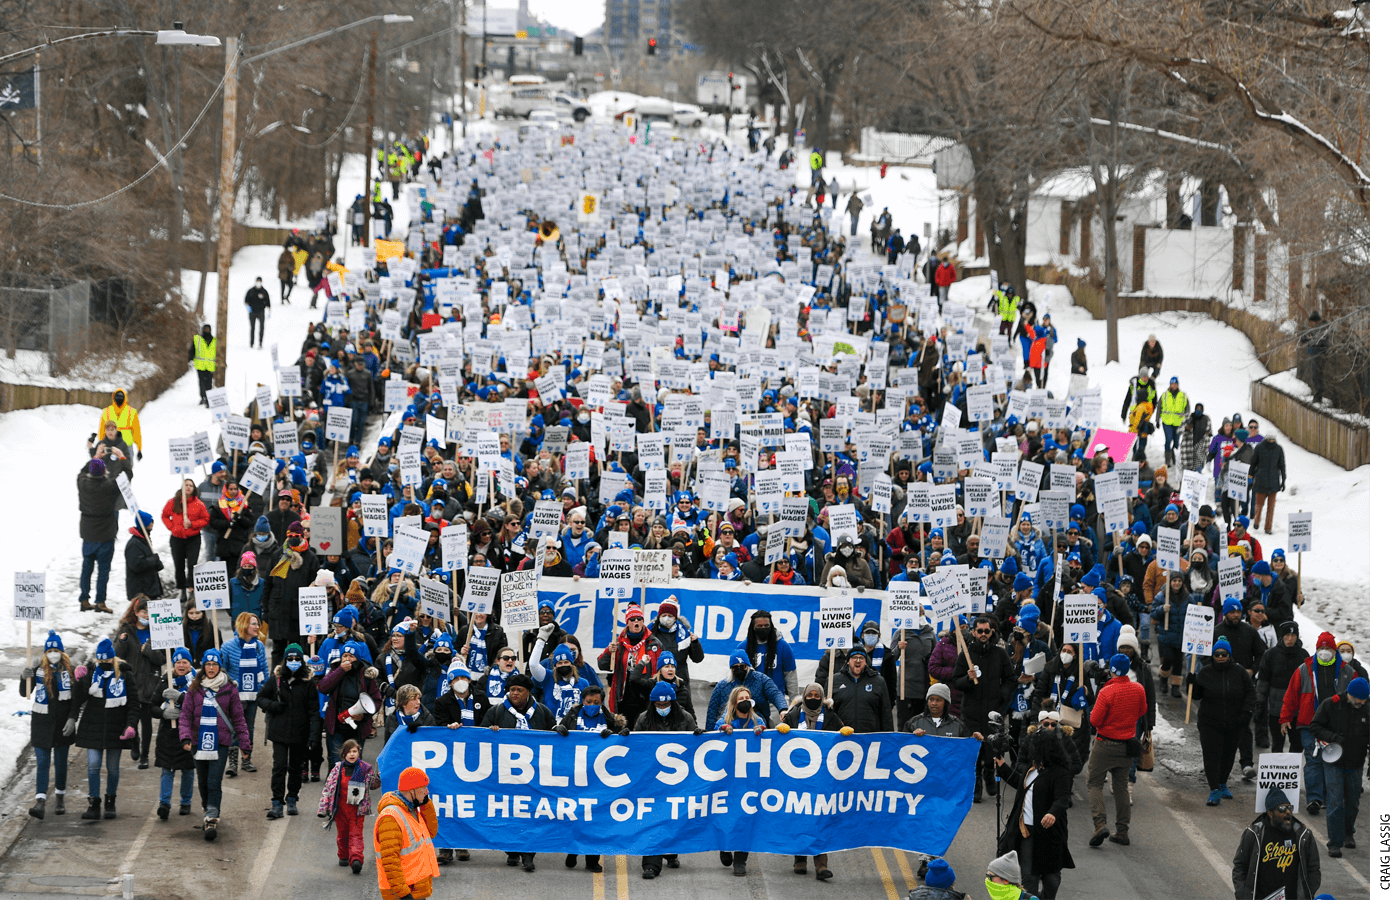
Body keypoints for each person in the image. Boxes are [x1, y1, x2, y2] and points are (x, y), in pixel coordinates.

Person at [481, 673, 556, 871]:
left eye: (519, 690)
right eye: (512, 689)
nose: (514, 693)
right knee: (506, 815)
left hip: (534, 775)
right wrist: (490, 731)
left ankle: (528, 854)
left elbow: (554, 735)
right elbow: (479, 737)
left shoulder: (542, 711)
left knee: (530, 815)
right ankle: (512, 850)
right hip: (505, 775)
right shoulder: (496, 711)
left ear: (528, 692)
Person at [1279, 632, 1354, 815]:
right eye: (1321, 648)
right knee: (1313, 760)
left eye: (1328, 648)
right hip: (1309, 723)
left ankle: (1331, 797)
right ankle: (1314, 798)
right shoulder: (1304, 669)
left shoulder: (1348, 672)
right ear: (1316, 649)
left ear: (1334, 650)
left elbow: (1356, 699)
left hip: (1336, 724)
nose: (1325, 652)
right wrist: (1285, 718)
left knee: (1333, 759)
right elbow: (1291, 695)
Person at [179, 648, 250, 839]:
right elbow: (185, 715)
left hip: (221, 742)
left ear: (220, 666)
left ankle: (211, 816)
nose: (211, 668)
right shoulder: (194, 689)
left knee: (213, 780)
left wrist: (245, 744)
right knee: (202, 781)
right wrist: (185, 737)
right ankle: (207, 809)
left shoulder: (229, 688)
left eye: (215, 664)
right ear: (203, 666)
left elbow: (238, 718)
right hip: (197, 741)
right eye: (208, 664)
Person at [995, 728, 1074, 900]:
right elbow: (1020, 784)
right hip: (1026, 832)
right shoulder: (1031, 768)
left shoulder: (1060, 772)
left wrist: (1052, 814)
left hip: (1050, 833)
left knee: (1052, 879)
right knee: (1029, 876)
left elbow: (1062, 798)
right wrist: (1003, 768)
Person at [634, 681, 699, 880]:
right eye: (658, 706)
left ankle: (670, 853)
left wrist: (699, 736)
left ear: (673, 702)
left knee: (674, 818)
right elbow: (635, 748)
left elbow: (696, 748)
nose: (662, 708)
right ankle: (651, 865)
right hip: (652, 780)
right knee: (652, 820)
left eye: (666, 705)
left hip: (678, 780)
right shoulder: (644, 719)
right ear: (653, 704)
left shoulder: (686, 718)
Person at [72, 637, 140, 821]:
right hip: (92, 726)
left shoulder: (124, 674)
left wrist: (131, 725)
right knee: (93, 766)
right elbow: (79, 698)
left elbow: (133, 704)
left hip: (115, 727)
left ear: (113, 658)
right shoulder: (92, 672)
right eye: (100, 660)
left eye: (106, 660)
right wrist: (79, 680)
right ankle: (94, 803)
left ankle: (111, 801)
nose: (103, 663)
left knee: (113, 768)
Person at [953, 615, 1017, 803]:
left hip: (992, 710)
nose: (983, 634)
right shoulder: (965, 654)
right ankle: (976, 782)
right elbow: (956, 681)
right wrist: (967, 677)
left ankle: (990, 773)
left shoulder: (1000, 654)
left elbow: (1010, 679)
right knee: (974, 749)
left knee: (991, 747)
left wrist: (1002, 696)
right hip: (971, 711)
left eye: (986, 631)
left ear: (991, 632)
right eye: (979, 631)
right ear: (973, 632)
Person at [1186, 637, 1255, 806]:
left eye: (1224, 654)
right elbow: (1196, 696)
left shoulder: (1239, 672)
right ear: (1213, 655)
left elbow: (1250, 694)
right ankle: (1214, 789)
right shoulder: (1206, 672)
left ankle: (1223, 783)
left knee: (1228, 755)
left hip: (1234, 722)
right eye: (1217, 654)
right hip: (1210, 722)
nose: (1221, 657)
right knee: (1211, 755)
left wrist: (1246, 713)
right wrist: (1191, 683)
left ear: (1229, 655)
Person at [1086, 653, 1146, 847]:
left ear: (1111, 669)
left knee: (1094, 783)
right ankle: (1122, 831)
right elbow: (1142, 711)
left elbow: (1094, 720)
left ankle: (1100, 824)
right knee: (1121, 788)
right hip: (1127, 745)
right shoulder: (1138, 689)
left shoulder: (1107, 692)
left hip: (1105, 744)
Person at [18, 630, 78, 819]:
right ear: (45, 653)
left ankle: (59, 797)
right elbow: (24, 693)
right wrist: (24, 677)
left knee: (60, 764)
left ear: (62, 652)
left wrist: (72, 719)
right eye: (49, 650)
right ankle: (40, 801)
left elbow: (76, 700)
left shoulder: (69, 671)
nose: (53, 653)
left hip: (62, 724)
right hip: (41, 723)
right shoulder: (38, 670)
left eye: (56, 650)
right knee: (43, 762)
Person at [257, 643, 320, 819]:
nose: (293, 662)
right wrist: (274, 706)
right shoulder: (276, 679)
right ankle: (276, 802)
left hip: (300, 733)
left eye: (297, 659)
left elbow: (314, 711)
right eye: (290, 659)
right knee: (279, 766)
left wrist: (314, 735)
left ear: (302, 661)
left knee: (296, 767)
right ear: (285, 660)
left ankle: (292, 797)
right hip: (279, 732)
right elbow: (260, 698)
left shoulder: (308, 683)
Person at [1310, 677, 1369, 858]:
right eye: (1359, 699)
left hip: (1356, 762)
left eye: (1365, 699)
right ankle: (1334, 842)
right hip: (1333, 760)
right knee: (1335, 802)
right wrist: (1332, 736)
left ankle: (1348, 832)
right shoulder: (1331, 705)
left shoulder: (1367, 708)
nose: (1362, 702)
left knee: (1352, 802)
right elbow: (1315, 726)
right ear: (1350, 695)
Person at [1231, 786, 1323, 900]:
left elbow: (1313, 868)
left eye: (1290, 807)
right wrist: (1243, 895)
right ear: (1270, 813)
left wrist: (1308, 892)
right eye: (1282, 809)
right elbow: (1240, 866)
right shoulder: (1254, 834)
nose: (1288, 812)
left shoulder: (1303, 835)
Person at [111, 596, 164, 769]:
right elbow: (116, 655)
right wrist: (122, 641)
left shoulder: (158, 631)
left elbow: (163, 658)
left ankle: (145, 755)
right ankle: (134, 741)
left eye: (149, 612)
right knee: (130, 717)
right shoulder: (126, 629)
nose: (147, 615)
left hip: (150, 680)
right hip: (131, 681)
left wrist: (149, 651)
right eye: (143, 611)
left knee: (146, 721)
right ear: (136, 612)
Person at [374, 766, 440, 898]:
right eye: (424, 788)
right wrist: (404, 894)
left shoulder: (411, 809)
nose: (427, 791)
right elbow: (390, 861)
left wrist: (425, 804)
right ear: (412, 790)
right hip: (404, 893)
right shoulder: (390, 818)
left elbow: (430, 833)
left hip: (416, 888)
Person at [319, 739, 381, 874]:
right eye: (349, 752)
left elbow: (373, 785)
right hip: (340, 808)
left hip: (357, 809)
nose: (352, 754)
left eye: (354, 751)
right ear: (343, 754)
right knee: (342, 834)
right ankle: (343, 855)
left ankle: (356, 859)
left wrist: (378, 778)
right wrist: (323, 807)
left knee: (356, 834)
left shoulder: (365, 768)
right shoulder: (337, 769)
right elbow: (328, 788)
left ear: (359, 753)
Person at [221, 612, 269, 777]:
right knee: (235, 728)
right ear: (243, 625)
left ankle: (246, 759)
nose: (257, 627)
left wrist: (266, 689)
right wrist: (230, 684)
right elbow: (223, 670)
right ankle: (232, 762)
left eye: (257, 623)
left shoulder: (259, 646)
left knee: (249, 728)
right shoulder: (228, 647)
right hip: (235, 695)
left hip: (253, 694)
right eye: (254, 624)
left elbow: (264, 669)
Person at [154, 647, 197, 819]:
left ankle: (186, 802)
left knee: (188, 769)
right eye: (178, 662)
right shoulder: (166, 680)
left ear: (190, 664)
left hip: (188, 732)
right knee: (167, 769)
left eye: (184, 662)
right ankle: (164, 803)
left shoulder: (196, 682)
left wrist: (180, 698)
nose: (181, 665)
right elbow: (152, 705)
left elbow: (200, 705)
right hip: (168, 733)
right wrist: (163, 713)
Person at [77, 457, 121, 613]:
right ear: (104, 472)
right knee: (103, 570)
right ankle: (100, 602)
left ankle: (84, 599)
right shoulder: (110, 486)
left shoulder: (82, 483)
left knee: (86, 568)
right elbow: (127, 475)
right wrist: (122, 458)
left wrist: (95, 456)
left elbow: (82, 472)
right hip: (106, 535)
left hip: (88, 535)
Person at [705, 652, 787, 730]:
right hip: (729, 726)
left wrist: (782, 709)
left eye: (743, 666)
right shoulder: (722, 686)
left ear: (748, 666)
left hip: (756, 724)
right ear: (731, 669)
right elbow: (712, 711)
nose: (739, 669)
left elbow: (775, 693)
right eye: (735, 667)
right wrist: (708, 737)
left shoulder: (761, 679)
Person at [162, 479, 208, 602]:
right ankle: (181, 589)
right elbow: (165, 515)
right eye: (186, 485)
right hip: (177, 538)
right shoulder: (173, 502)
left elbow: (205, 519)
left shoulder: (199, 504)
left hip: (193, 538)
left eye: (191, 485)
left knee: (192, 564)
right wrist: (172, 527)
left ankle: (191, 588)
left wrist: (193, 524)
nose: (188, 487)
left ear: (194, 489)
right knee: (179, 565)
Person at [831, 645, 894, 733]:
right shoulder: (834, 680)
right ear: (848, 661)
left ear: (866, 661)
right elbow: (828, 712)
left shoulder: (878, 681)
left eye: (861, 658)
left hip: (870, 736)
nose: (858, 660)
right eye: (854, 657)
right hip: (842, 736)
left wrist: (889, 737)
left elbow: (886, 713)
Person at [1249, 435, 1286, 534]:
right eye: (1269, 439)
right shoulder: (1259, 448)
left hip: (1274, 482)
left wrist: (1284, 479)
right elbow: (1253, 463)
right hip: (1261, 481)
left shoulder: (1278, 449)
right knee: (1259, 505)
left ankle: (1268, 527)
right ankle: (1256, 522)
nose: (1271, 441)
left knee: (1271, 507)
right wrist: (1250, 477)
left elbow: (1282, 465)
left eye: (1272, 439)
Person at [124, 511, 163, 601]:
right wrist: (154, 559)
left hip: (148, 588)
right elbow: (136, 565)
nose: (152, 524)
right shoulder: (134, 544)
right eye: (150, 521)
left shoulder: (143, 540)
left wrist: (156, 563)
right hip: (141, 591)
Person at [97, 389, 143, 460]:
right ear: (114, 398)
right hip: (111, 445)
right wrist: (101, 444)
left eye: (121, 397)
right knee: (110, 468)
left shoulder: (132, 412)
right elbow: (102, 430)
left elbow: (136, 431)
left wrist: (139, 448)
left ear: (125, 398)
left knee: (127, 467)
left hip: (126, 444)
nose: (119, 399)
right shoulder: (107, 412)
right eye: (117, 397)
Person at [1154, 376, 1188, 465]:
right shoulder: (1165, 395)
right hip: (1167, 422)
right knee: (1168, 439)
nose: (1174, 386)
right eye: (1172, 384)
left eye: (1175, 384)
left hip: (1178, 423)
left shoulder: (1183, 395)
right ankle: (1167, 459)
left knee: (1176, 442)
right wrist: (1157, 420)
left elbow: (1187, 409)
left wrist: (1187, 420)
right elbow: (1159, 408)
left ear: (1177, 385)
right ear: (1170, 385)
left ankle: (1174, 457)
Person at [190, 323, 217, 407]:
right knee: (202, 382)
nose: (206, 331)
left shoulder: (215, 340)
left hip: (210, 365)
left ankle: (208, 398)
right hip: (200, 365)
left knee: (209, 383)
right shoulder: (197, 339)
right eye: (205, 329)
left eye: (208, 329)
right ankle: (203, 397)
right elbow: (192, 350)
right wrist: (190, 359)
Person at [246, 277, 271, 348]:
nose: (258, 283)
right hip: (252, 312)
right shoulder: (251, 291)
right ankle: (251, 343)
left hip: (261, 312)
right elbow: (246, 300)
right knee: (252, 327)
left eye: (260, 281)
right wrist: (248, 308)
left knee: (261, 327)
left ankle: (260, 342)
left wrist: (269, 311)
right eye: (257, 281)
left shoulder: (264, 292)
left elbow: (268, 302)